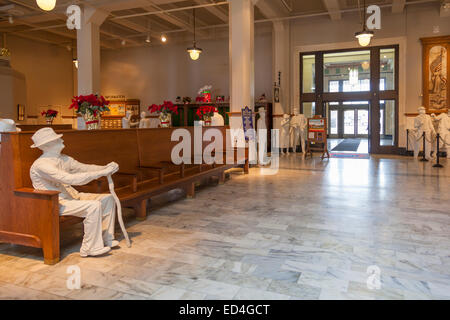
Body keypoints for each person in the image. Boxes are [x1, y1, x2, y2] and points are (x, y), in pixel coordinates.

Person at [29, 128, 120, 257]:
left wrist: (106, 168)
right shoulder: (41, 165)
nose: (62, 140)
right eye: (57, 139)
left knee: (108, 199)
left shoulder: (64, 159)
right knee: (93, 206)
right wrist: (101, 173)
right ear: (47, 145)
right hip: (55, 202)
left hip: (72, 196)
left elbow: (84, 168)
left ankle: (107, 238)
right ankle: (89, 248)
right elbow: (70, 179)